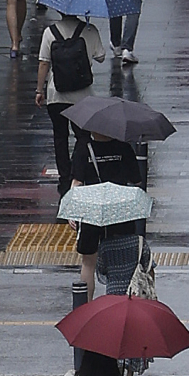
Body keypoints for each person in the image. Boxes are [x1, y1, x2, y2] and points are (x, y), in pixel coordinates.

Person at [36, 12, 104, 199]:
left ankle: (64, 177)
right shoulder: (90, 30)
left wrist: (39, 90)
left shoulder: (50, 32)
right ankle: (78, 173)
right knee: (83, 136)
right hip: (83, 96)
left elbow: (43, 63)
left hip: (56, 94)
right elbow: (101, 56)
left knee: (60, 137)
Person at [69, 126, 142, 295]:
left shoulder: (83, 148)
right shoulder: (123, 147)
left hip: (91, 210)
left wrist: (72, 211)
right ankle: (118, 305)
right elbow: (136, 180)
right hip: (120, 210)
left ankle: (86, 306)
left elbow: (77, 183)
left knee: (88, 263)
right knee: (120, 261)